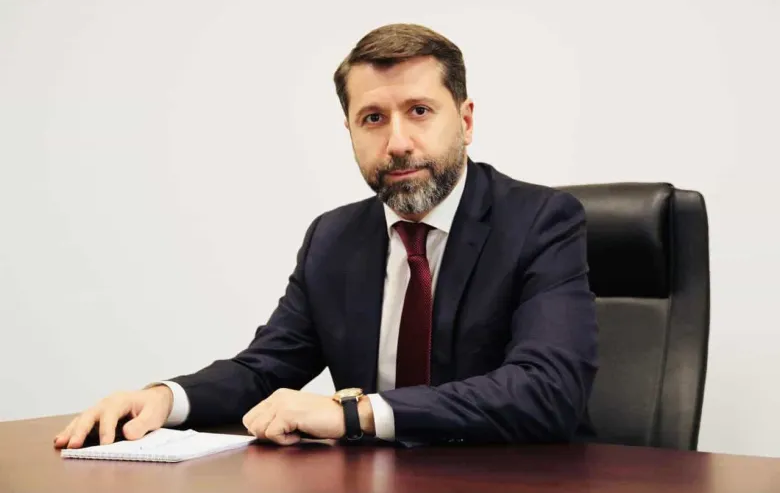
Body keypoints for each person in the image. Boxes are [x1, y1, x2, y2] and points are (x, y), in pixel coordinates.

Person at [54, 23, 598, 449]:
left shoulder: (540, 220)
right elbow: (265, 368)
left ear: (466, 120)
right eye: (373, 119)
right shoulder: (334, 238)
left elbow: (547, 391)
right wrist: (165, 399)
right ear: (350, 132)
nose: (398, 142)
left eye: (419, 111)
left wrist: (353, 415)